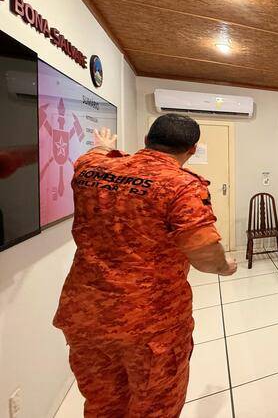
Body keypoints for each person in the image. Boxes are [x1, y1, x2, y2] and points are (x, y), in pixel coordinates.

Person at [53, 115, 237, 418]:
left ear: (147, 140)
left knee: (102, 404)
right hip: (151, 322)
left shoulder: (91, 169)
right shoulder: (181, 185)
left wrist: (104, 147)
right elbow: (204, 254)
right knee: (155, 406)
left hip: (86, 314)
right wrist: (225, 265)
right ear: (191, 149)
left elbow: (92, 155)